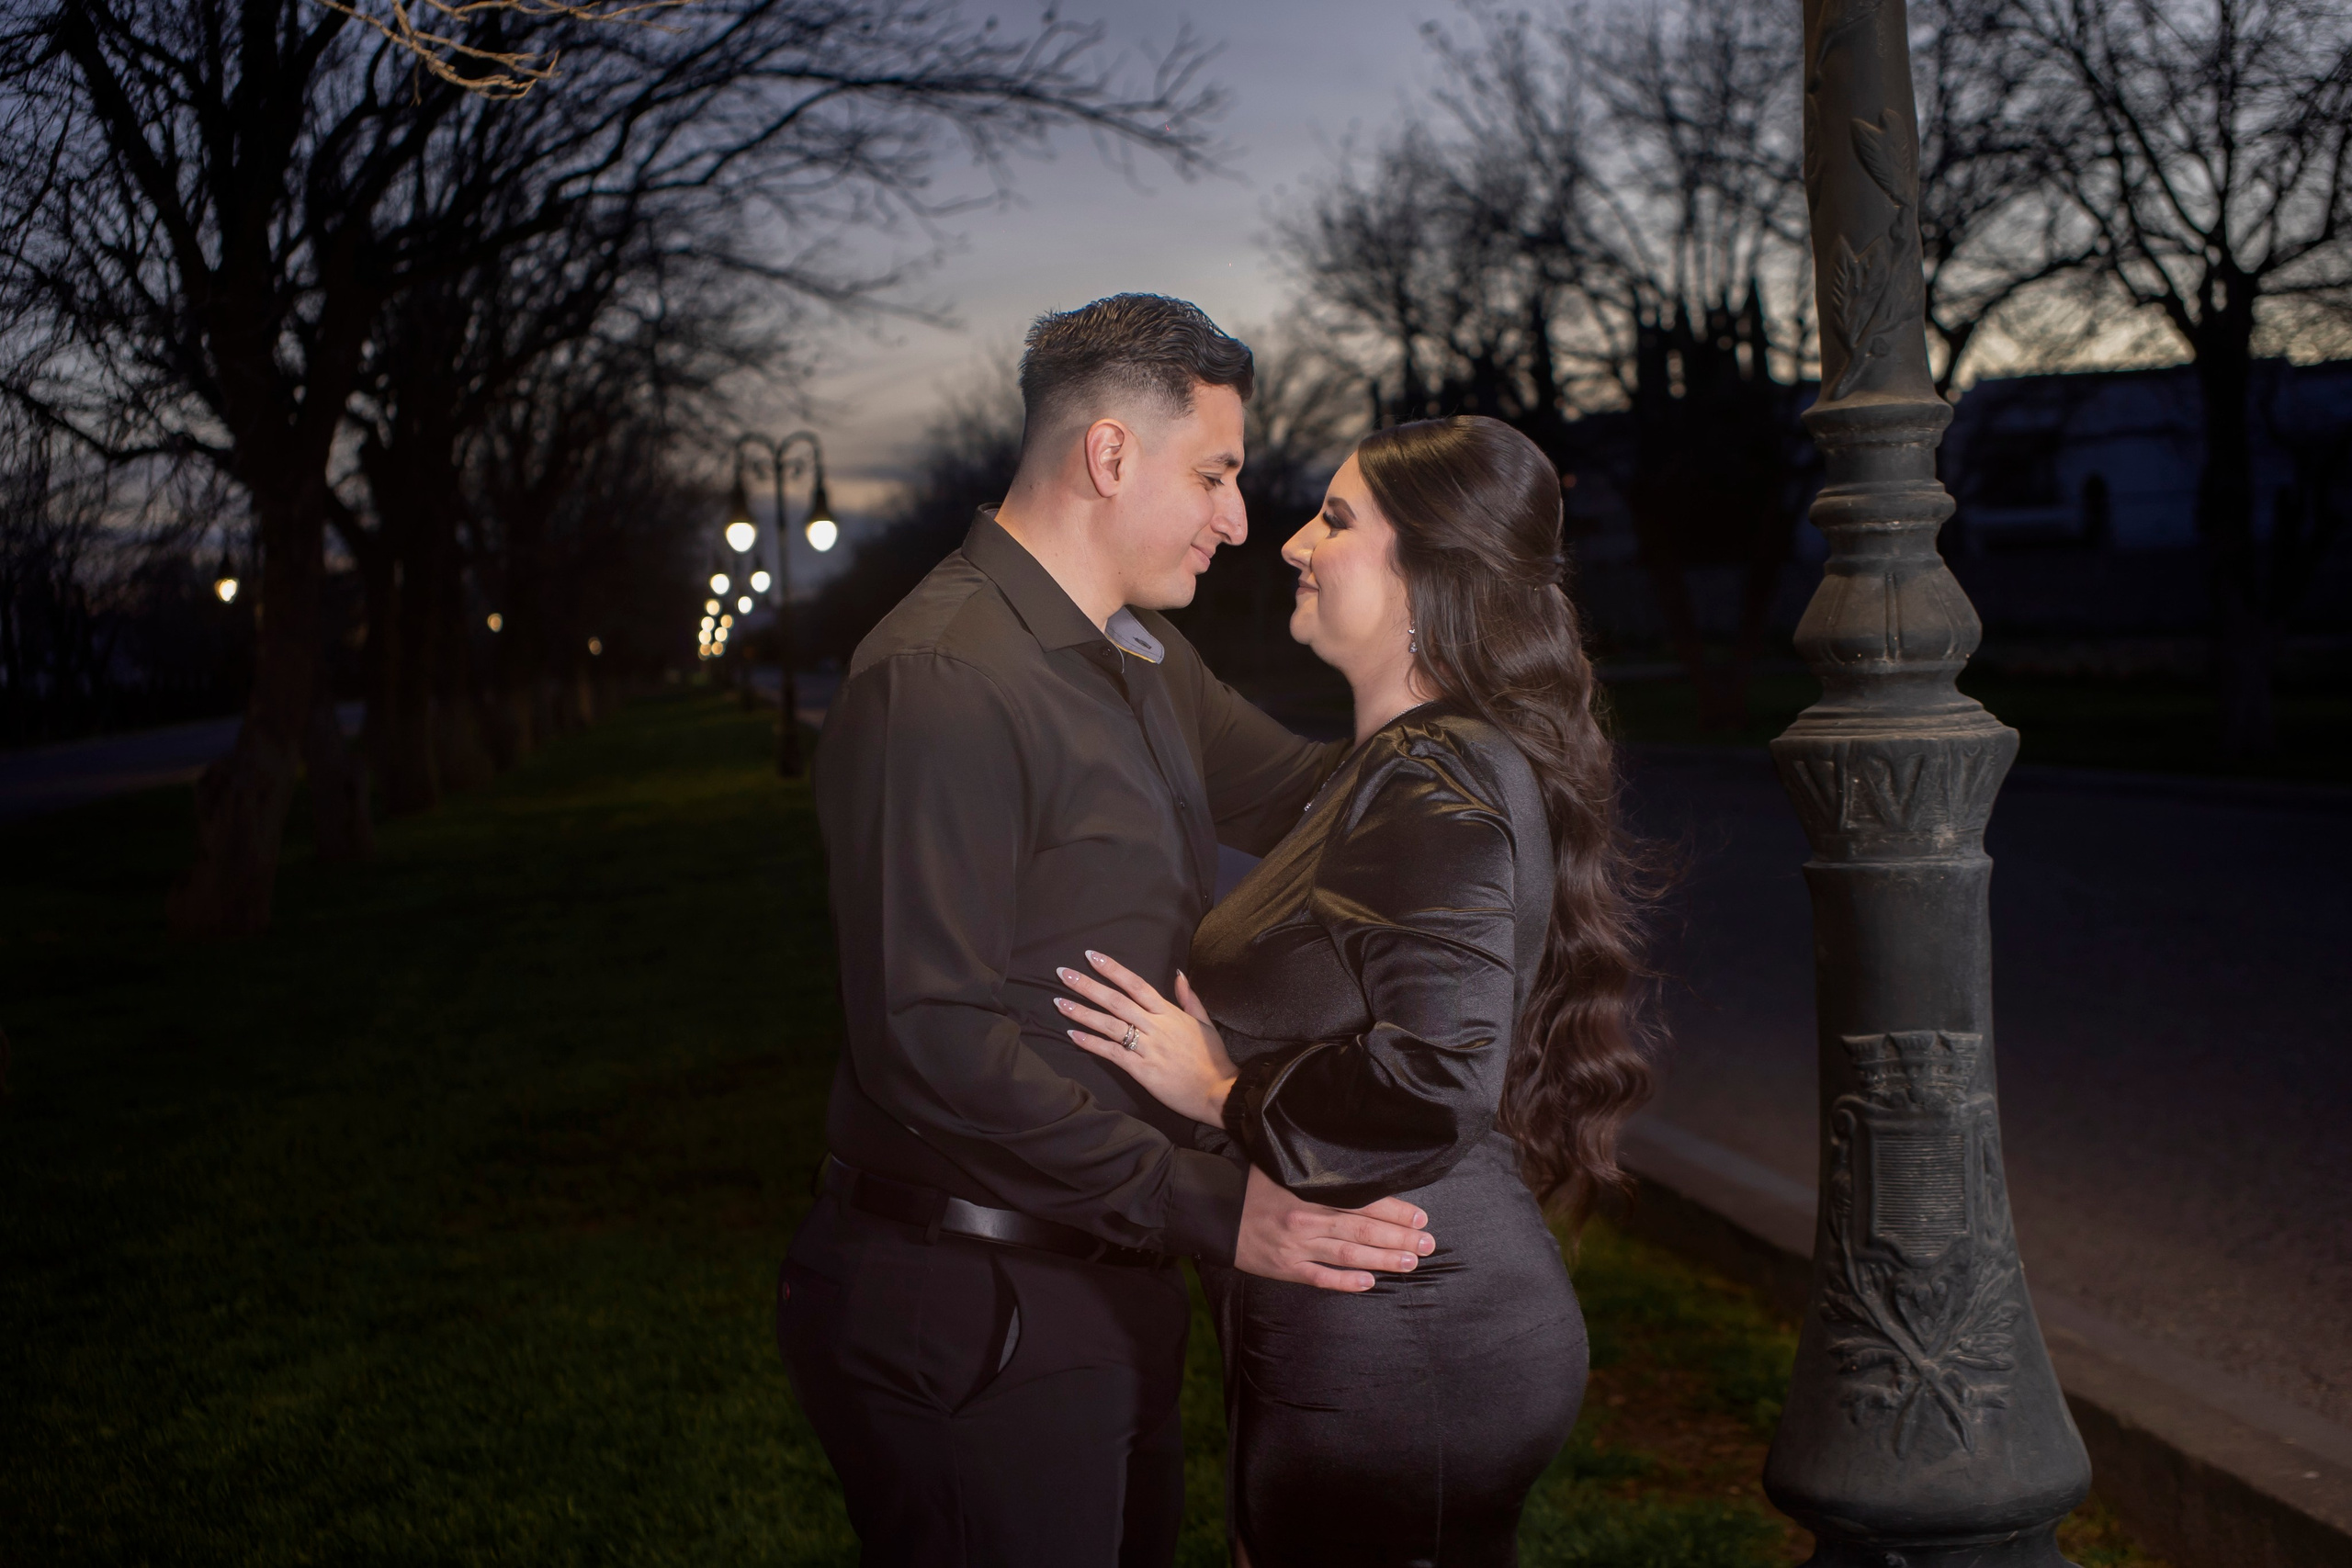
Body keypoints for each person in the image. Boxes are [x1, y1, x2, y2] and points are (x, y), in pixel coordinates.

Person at [778, 294, 1437, 1568]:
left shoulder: (1138, 658)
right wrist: (1208, 1204)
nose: (1240, 521)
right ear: (1109, 455)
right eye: (1217, 474)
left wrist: (1437, 683)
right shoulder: (943, 677)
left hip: (1107, 1277)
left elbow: (1316, 795)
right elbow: (928, 1038)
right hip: (975, 1299)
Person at [1056, 415, 1657, 1566]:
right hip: (1378, 1313)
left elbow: (1436, 1080)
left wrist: (1221, 1088)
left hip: (1410, 1333)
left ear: (1430, 572)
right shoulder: (1395, 769)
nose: (1290, 542)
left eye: (1334, 520)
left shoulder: (1432, 777)